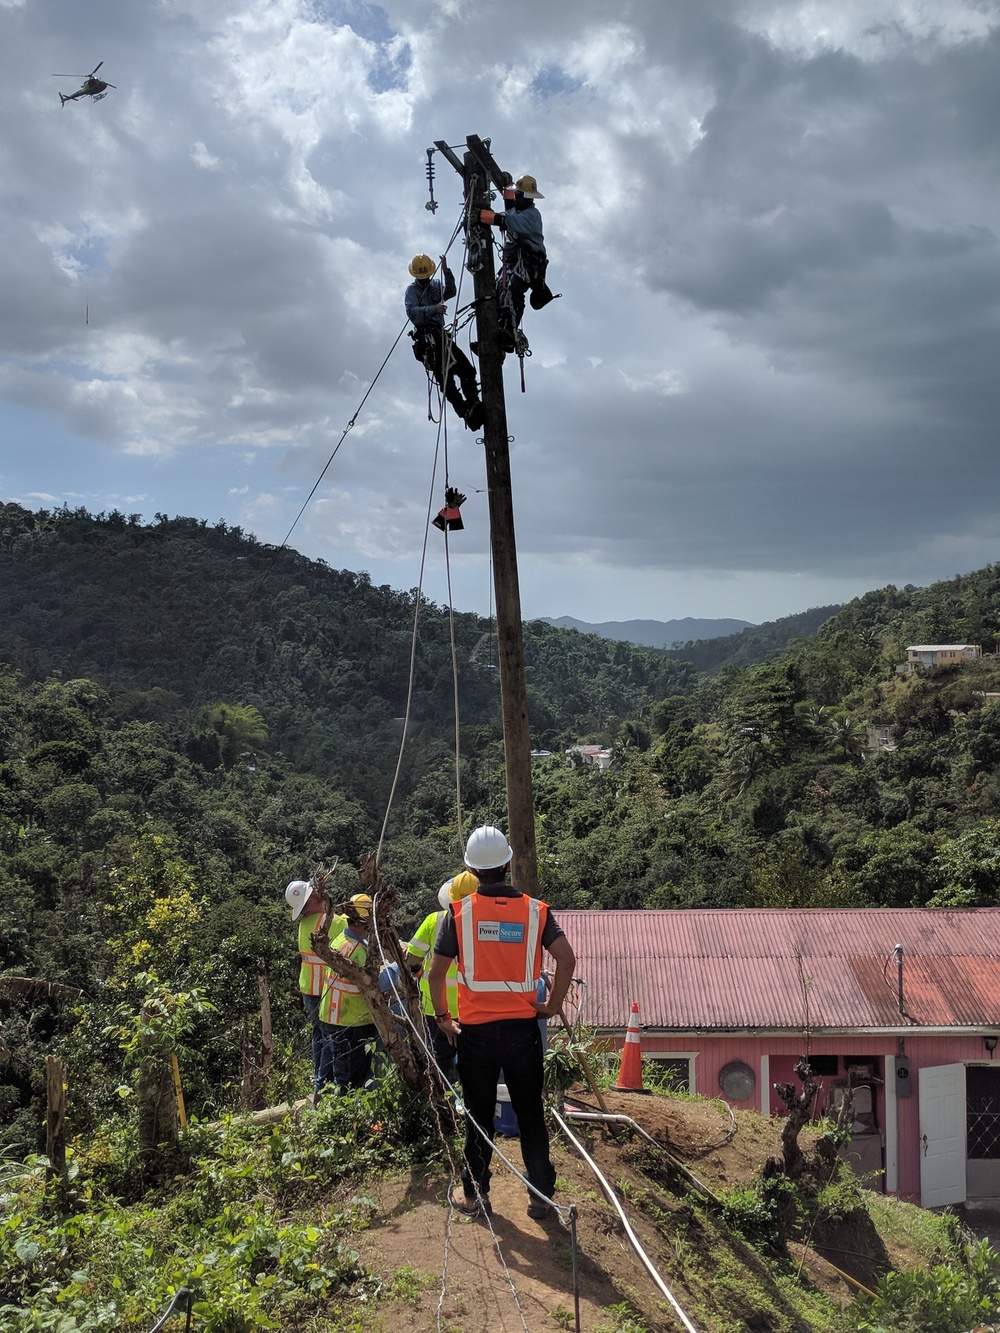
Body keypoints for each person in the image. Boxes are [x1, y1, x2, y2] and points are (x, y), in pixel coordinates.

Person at [428, 826, 576, 1221]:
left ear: (471, 870)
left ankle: (475, 1195)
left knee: (479, 1115)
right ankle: (541, 1196)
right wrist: (553, 1004)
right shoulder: (536, 911)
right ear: (508, 864)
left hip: (474, 1034)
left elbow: (434, 974)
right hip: (522, 1032)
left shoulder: (457, 914)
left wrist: (443, 1018)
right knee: (530, 1113)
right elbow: (567, 958)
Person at [405, 254, 485, 430]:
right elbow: (412, 312)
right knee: (447, 382)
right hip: (428, 341)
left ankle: (473, 403)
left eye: (426, 276)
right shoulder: (412, 291)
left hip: (441, 336)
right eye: (421, 277)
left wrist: (446, 270)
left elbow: (451, 291)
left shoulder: (434, 286)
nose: (424, 279)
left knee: (467, 370)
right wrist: (435, 308)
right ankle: (465, 412)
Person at [479, 175, 555, 353]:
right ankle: (493, 338)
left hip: (529, 263)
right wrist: (505, 180)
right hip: (513, 263)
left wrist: (482, 216)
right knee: (497, 291)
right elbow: (508, 201)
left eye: (519, 195)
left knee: (514, 289)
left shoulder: (531, 216)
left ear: (528, 198)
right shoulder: (516, 210)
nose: (517, 197)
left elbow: (505, 220)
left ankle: (510, 332)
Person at [286, 878, 346, 1098]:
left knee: (319, 1036)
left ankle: (319, 1082)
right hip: (326, 989)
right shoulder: (333, 922)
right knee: (332, 1038)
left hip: (308, 989)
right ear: (313, 898)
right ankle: (323, 1089)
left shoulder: (304, 924)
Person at [318, 894, 379, 1093]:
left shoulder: (341, 939)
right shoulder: (357, 950)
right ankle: (346, 1118)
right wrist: (397, 969)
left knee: (340, 1073)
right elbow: (377, 984)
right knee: (351, 1079)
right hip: (350, 1022)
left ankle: (336, 1113)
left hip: (333, 1016)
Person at [406, 881, 464, 1084]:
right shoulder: (486, 920)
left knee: (439, 1061)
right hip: (473, 1006)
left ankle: (443, 1104)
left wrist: (419, 972)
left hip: (435, 1007)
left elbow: (411, 958)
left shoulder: (434, 920)